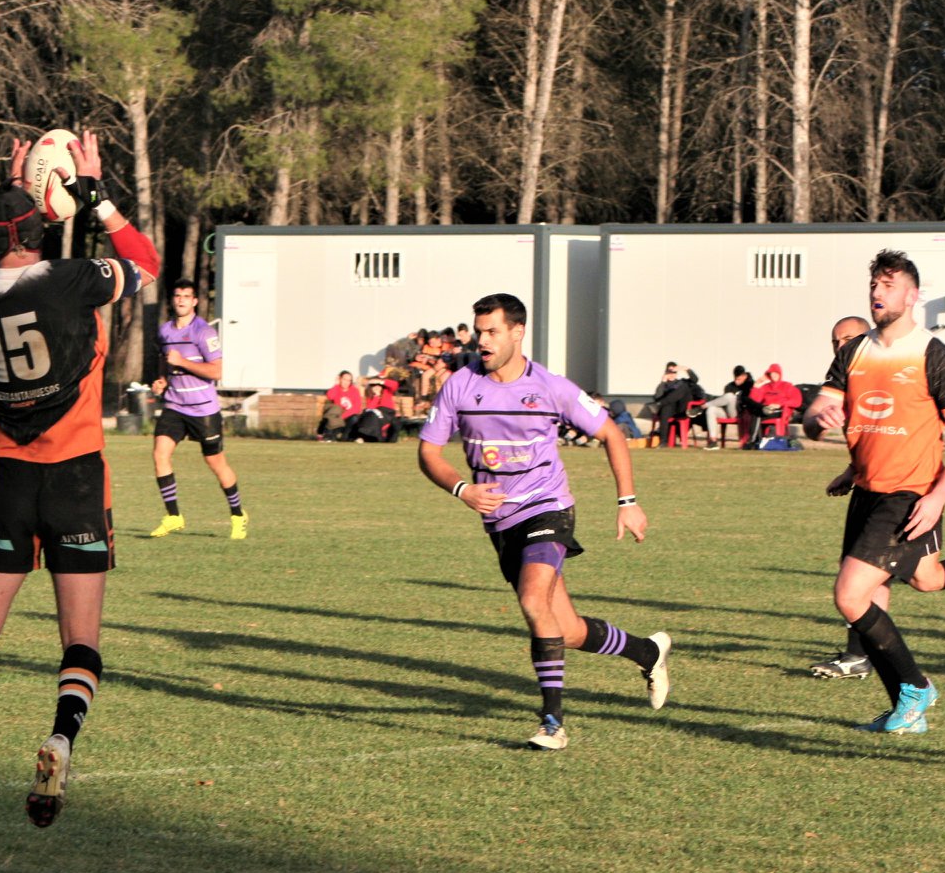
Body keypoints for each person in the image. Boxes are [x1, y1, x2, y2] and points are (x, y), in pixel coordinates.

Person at [0, 130, 159, 831]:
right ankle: (59, 740)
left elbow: (9, 256)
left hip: (9, 479)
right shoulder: (74, 280)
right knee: (80, 639)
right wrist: (95, 200)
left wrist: (20, 194)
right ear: (43, 224)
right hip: (75, 477)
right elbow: (146, 263)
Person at [417, 293, 672, 751]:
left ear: (517, 332)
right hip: (500, 521)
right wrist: (463, 489)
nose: (483, 340)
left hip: (548, 507)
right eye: (479, 331)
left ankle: (552, 722)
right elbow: (428, 453)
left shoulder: (550, 386)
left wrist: (627, 501)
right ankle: (647, 651)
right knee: (564, 628)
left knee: (534, 600)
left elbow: (611, 432)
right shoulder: (458, 385)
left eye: (492, 331)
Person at [802, 250, 945, 732]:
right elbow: (817, 410)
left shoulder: (935, 356)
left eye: (888, 285)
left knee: (850, 594)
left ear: (912, 295)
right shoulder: (853, 352)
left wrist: (939, 496)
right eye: (874, 286)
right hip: (867, 491)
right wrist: (819, 419)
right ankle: (908, 710)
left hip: (910, 495)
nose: (878, 293)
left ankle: (916, 689)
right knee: (918, 580)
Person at [147, 279, 247, 540]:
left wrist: (183, 363)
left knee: (216, 463)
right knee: (160, 454)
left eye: (186, 296)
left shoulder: (204, 333)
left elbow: (216, 371)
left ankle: (238, 515)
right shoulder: (165, 331)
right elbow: (164, 362)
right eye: (177, 295)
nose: (180, 300)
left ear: (194, 302)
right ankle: (173, 516)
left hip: (203, 410)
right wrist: (162, 380)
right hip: (174, 405)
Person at [747, 363, 802, 445]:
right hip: (766, 410)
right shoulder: (765, 387)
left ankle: (752, 441)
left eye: (776, 373)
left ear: (780, 374)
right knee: (755, 414)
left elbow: (797, 401)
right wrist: (756, 386)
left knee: (757, 415)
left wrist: (780, 404)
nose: (774, 375)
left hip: (780, 411)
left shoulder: (787, 386)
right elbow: (754, 401)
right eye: (771, 373)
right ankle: (757, 441)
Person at [701, 365, 754, 450]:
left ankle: (704, 406)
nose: (737, 382)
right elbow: (724, 402)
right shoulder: (730, 386)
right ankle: (713, 441)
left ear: (744, 376)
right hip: (729, 411)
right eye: (735, 379)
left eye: (739, 379)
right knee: (711, 410)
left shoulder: (750, 385)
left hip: (740, 413)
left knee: (730, 396)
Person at [317, 370, 362, 441]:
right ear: (340, 379)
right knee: (333, 413)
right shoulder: (336, 389)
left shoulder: (354, 391)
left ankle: (345, 437)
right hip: (336, 416)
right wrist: (336, 384)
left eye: (349, 380)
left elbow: (356, 408)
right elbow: (330, 396)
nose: (346, 382)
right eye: (344, 379)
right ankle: (328, 436)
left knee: (355, 418)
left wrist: (342, 417)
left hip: (347, 417)